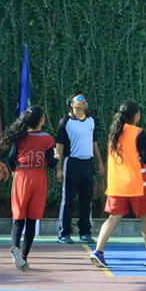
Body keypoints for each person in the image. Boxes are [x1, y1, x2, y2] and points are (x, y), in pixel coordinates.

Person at [90, 100, 146, 269]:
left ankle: (98, 251)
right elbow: (145, 158)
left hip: (117, 183)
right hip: (137, 182)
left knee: (113, 217)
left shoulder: (114, 133)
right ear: (136, 115)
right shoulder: (138, 133)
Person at [1, 106, 58, 271]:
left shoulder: (20, 136)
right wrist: (56, 157)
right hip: (39, 177)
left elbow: (10, 159)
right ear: (41, 120)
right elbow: (52, 164)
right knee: (32, 219)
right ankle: (24, 256)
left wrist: (14, 171)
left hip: (22, 175)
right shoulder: (47, 138)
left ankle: (15, 248)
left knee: (19, 218)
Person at [56, 92, 105, 245]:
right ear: (71, 104)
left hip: (88, 164)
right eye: (79, 99)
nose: (83, 100)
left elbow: (94, 142)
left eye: (84, 98)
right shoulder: (66, 122)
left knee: (86, 199)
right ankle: (63, 233)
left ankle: (85, 232)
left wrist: (100, 162)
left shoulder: (91, 121)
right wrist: (58, 168)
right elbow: (59, 145)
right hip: (72, 164)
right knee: (68, 200)